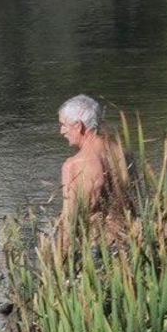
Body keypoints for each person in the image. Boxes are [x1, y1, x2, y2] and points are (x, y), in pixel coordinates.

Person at [55, 94, 131, 248]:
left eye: (63, 125)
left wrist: (60, 259)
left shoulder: (74, 165)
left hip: (96, 246)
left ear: (78, 126)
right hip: (127, 240)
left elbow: (70, 220)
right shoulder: (124, 154)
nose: (61, 131)